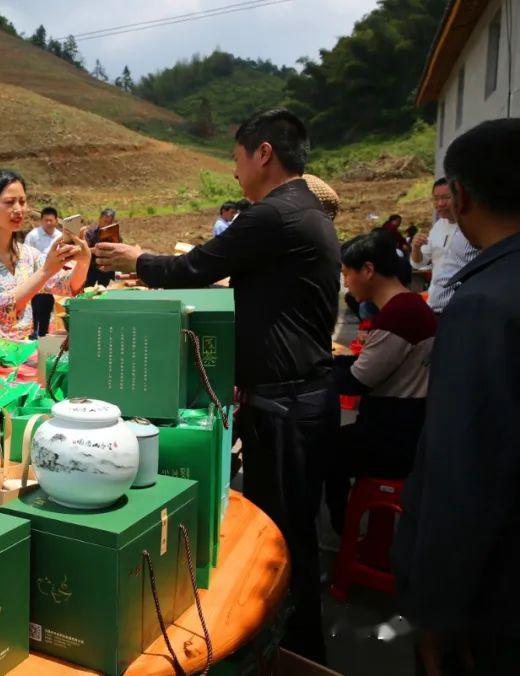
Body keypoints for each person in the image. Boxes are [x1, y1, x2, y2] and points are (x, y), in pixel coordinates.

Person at [95, 108, 340, 662]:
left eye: (235, 158)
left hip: (287, 401)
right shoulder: (304, 211)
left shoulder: (274, 214)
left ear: (263, 154)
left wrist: (138, 259)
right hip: (297, 396)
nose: (233, 173)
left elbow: (195, 268)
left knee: (283, 540)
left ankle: (292, 653)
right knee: (293, 530)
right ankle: (296, 651)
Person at [394, 119, 520, 675]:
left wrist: (437, 611)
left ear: (461, 195)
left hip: (496, 598)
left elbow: (461, 472)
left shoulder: (484, 305)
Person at [324, 229, 435, 534]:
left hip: (394, 436)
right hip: (408, 427)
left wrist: (317, 370)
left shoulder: (399, 316)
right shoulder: (410, 307)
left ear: (368, 270)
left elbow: (356, 381)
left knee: (322, 451)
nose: (346, 282)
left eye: (347, 273)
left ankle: (341, 530)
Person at [0, 169, 90, 340]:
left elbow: (69, 286)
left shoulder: (28, 255)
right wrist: (46, 271)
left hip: (23, 357)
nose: (18, 209)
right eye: (9, 202)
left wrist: (84, 261)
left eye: (22, 201)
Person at [409, 178, 479, 316]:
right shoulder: (438, 226)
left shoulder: (475, 227)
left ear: (460, 197)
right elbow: (418, 263)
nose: (440, 204)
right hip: (436, 305)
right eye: (436, 199)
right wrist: (416, 248)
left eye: (446, 198)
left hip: (464, 307)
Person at [24, 206, 61, 337]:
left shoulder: (60, 237)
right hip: (36, 276)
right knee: (35, 306)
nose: (49, 223)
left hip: (52, 277)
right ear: (41, 221)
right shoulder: (33, 236)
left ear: (56, 221)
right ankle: (32, 332)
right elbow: (25, 256)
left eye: (51, 220)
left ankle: (43, 335)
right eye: (46, 220)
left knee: (47, 307)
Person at [83, 208, 117, 288]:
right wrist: (95, 250)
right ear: (100, 219)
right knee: (87, 291)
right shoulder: (90, 233)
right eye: (105, 221)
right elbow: (84, 250)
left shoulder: (114, 234)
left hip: (106, 270)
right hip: (91, 269)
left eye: (109, 222)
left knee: (104, 293)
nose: (106, 225)